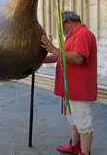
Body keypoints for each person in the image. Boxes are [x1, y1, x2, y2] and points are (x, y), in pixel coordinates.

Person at [41, 11, 97, 155]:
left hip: (79, 88)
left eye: (61, 27)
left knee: (83, 123)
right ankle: (74, 146)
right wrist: (39, 60)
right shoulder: (73, 36)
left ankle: (85, 152)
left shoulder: (83, 34)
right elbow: (60, 57)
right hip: (69, 88)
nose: (61, 30)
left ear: (69, 23)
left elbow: (78, 58)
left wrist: (53, 48)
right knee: (74, 119)